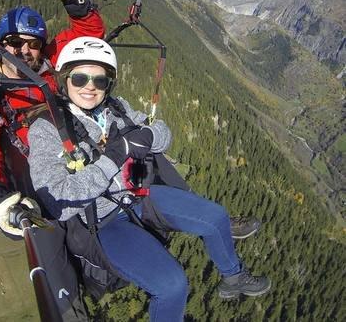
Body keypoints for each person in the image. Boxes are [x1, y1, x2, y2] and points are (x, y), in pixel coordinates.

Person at [27, 37, 271, 321]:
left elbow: (163, 133)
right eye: (80, 78)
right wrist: (113, 158)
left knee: (215, 217)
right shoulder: (46, 128)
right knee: (171, 286)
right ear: (64, 79)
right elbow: (58, 200)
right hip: (103, 222)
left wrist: (149, 136)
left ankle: (234, 277)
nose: (90, 87)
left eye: (100, 80)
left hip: (139, 197)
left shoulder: (116, 108)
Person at [0, 0, 105, 238]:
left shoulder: (48, 63)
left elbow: (91, 35)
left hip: (70, 160)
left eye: (33, 44)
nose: (24, 51)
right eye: (15, 43)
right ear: (1, 45)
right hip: (33, 180)